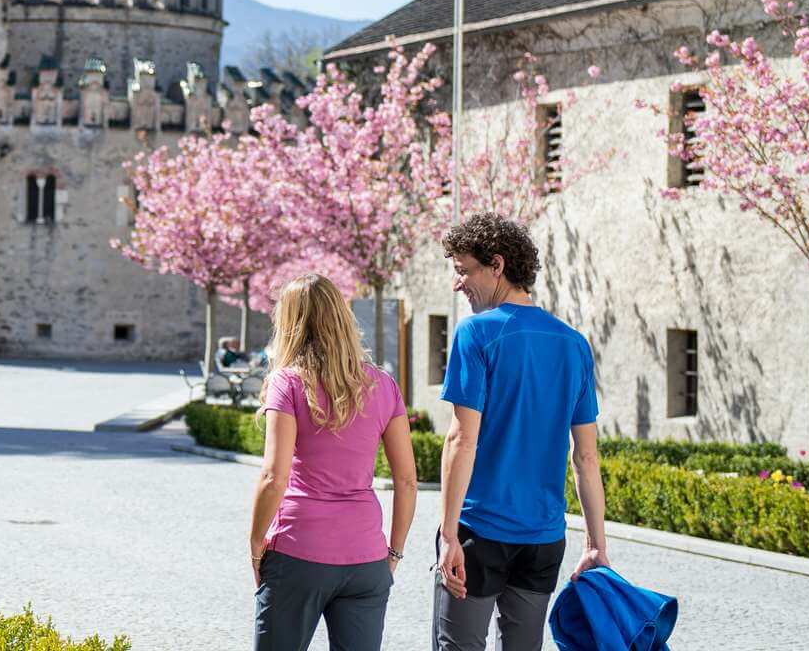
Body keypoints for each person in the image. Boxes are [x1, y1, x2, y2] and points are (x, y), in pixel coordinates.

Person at [433, 213, 609, 651]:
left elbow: (461, 439)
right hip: (544, 540)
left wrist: (450, 534)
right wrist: (594, 545)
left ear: (496, 265)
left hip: (480, 531)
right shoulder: (574, 344)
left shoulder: (475, 333)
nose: (458, 284)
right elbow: (586, 457)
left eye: (463, 270)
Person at [250, 273, 418, 651]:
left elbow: (274, 477)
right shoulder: (383, 385)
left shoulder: (287, 384)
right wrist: (393, 552)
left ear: (289, 324)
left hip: (297, 551)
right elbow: (407, 481)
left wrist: (256, 543)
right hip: (366, 560)